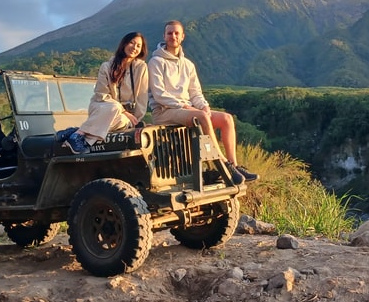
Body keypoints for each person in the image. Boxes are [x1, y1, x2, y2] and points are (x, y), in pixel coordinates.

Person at [148, 20, 257, 185]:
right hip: (164, 111)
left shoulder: (188, 65)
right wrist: (185, 106)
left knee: (226, 118)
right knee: (202, 117)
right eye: (169, 33)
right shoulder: (155, 62)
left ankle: (233, 164)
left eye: (177, 33)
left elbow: (195, 92)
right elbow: (159, 95)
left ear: (183, 36)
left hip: (187, 110)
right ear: (164, 36)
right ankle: (222, 164)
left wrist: (204, 106)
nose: (173, 36)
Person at [58, 32, 149, 154]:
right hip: (101, 107)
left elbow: (141, 97)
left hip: (122, 117)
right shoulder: (106, 67)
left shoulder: (141, 68)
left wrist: (136, 119)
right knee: (114, 107)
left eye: (138, 45)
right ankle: (78, 134)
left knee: (120, 119)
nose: (134, 47)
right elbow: (102, 94)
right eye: (131, 42)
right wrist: (122, 109)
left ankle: (78, 133)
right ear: (124, 44)